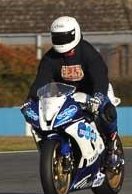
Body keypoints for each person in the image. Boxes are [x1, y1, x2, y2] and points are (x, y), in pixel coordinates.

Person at [27, 16, 123, 170]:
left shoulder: (87, 52)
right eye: (57, 37)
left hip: (92, 92)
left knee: (107, 110)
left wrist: (98, 96)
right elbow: (40, 82)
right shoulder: (50, 58)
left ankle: (112, 144)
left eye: (64, 36)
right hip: (66, 96)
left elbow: (100, 76)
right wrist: (30, 101)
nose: (61, 40)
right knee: (50, 123)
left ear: (75, 33)